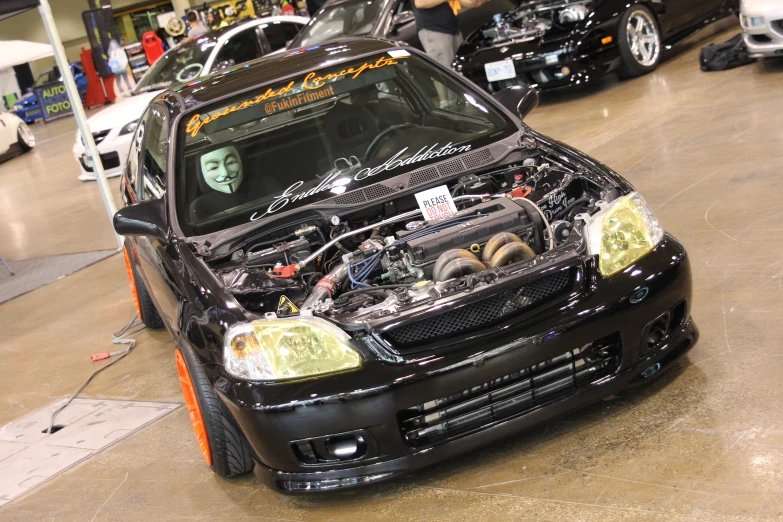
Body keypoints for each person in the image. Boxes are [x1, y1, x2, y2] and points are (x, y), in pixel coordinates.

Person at [412, 0, 485, 68]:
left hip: (453, 28)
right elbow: (420, 3)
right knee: (446, 75)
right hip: (435, 31)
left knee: (461, 71)